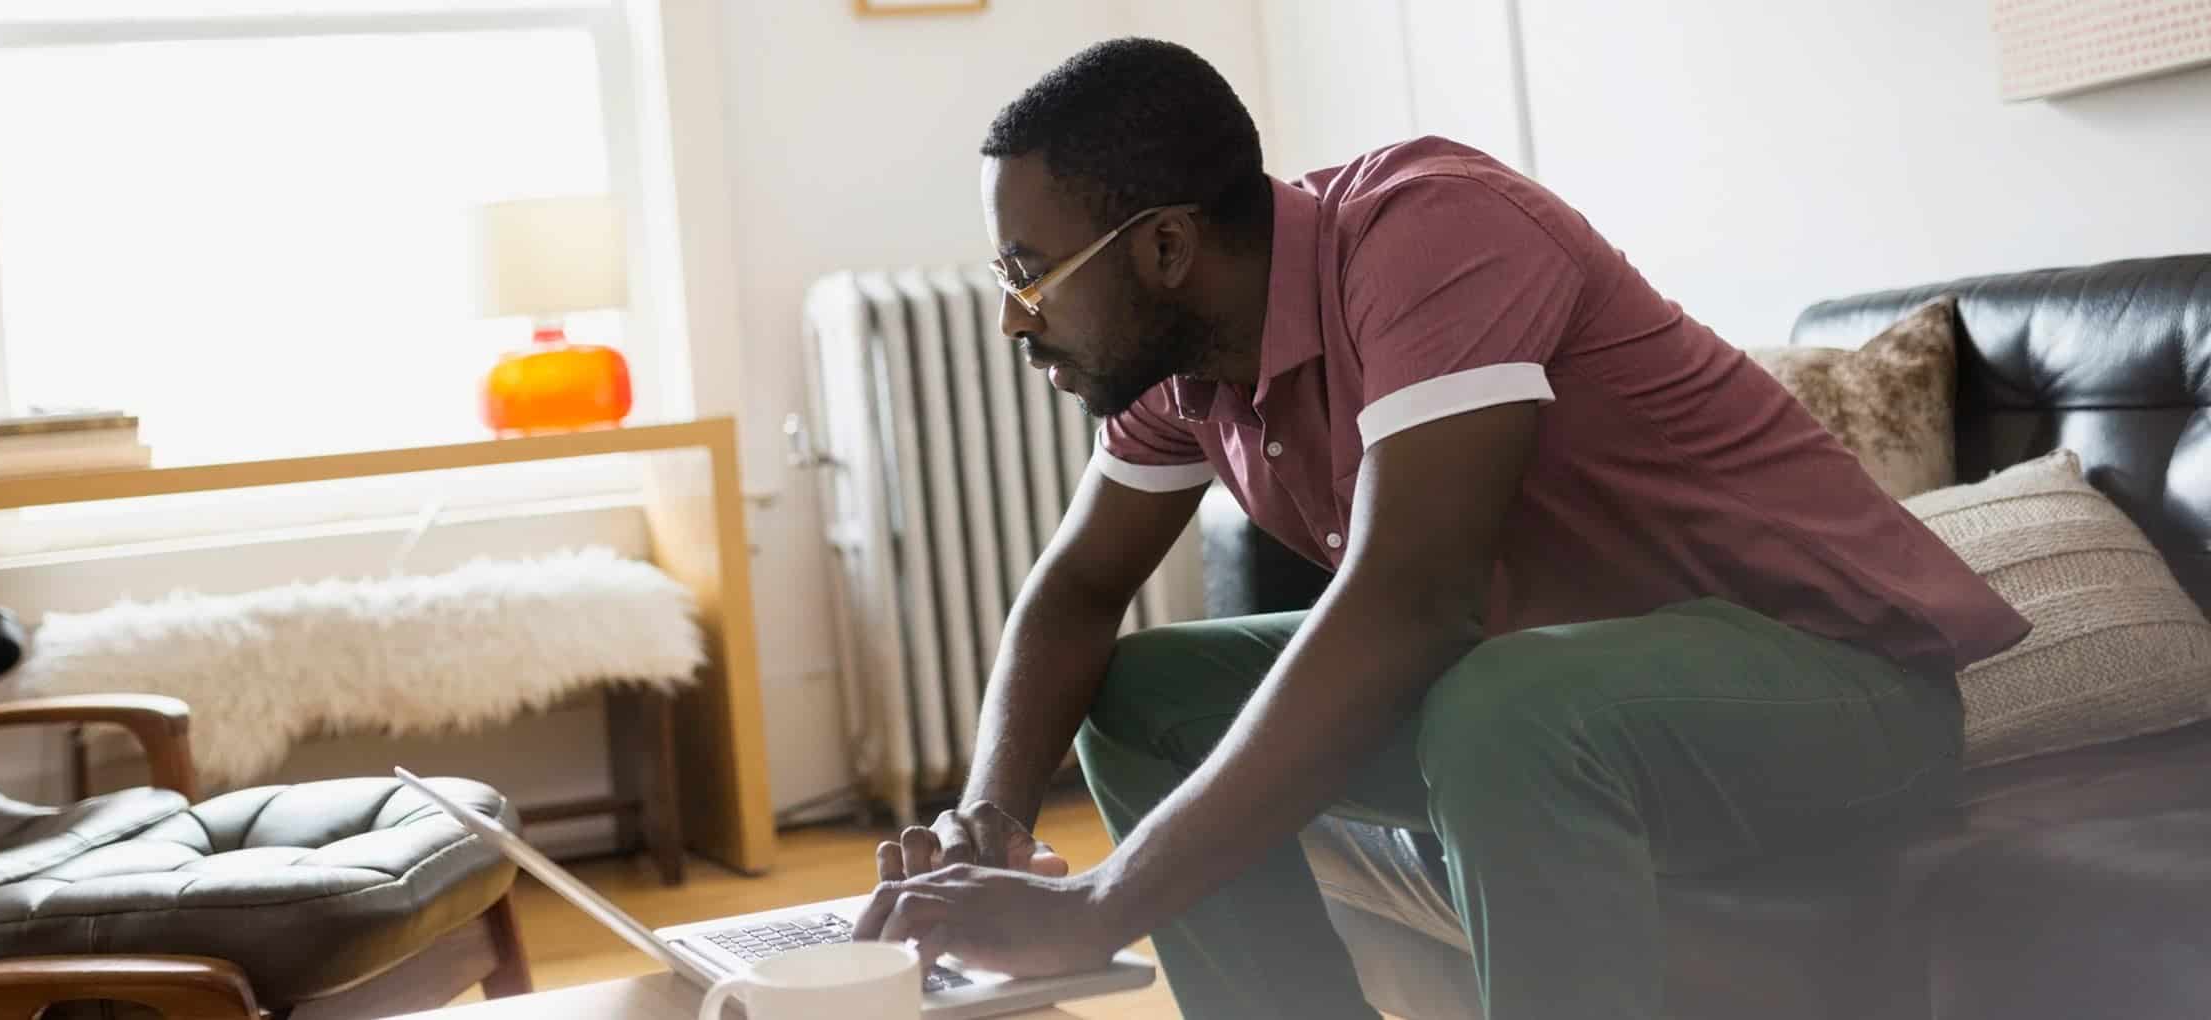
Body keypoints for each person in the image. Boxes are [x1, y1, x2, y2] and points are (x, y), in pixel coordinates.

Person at [850, 36, 2030, 1020]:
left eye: (1027, 273)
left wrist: (1104, 905)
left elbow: (1416, 598)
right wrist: (987, 822)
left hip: (1838, 688)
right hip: (1567, 697)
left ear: (1164, 247)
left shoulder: (1429, 232)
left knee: (1497, 698)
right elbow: (1074, 593)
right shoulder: (1179, 362)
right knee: (1144, 692)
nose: (1014, 320)